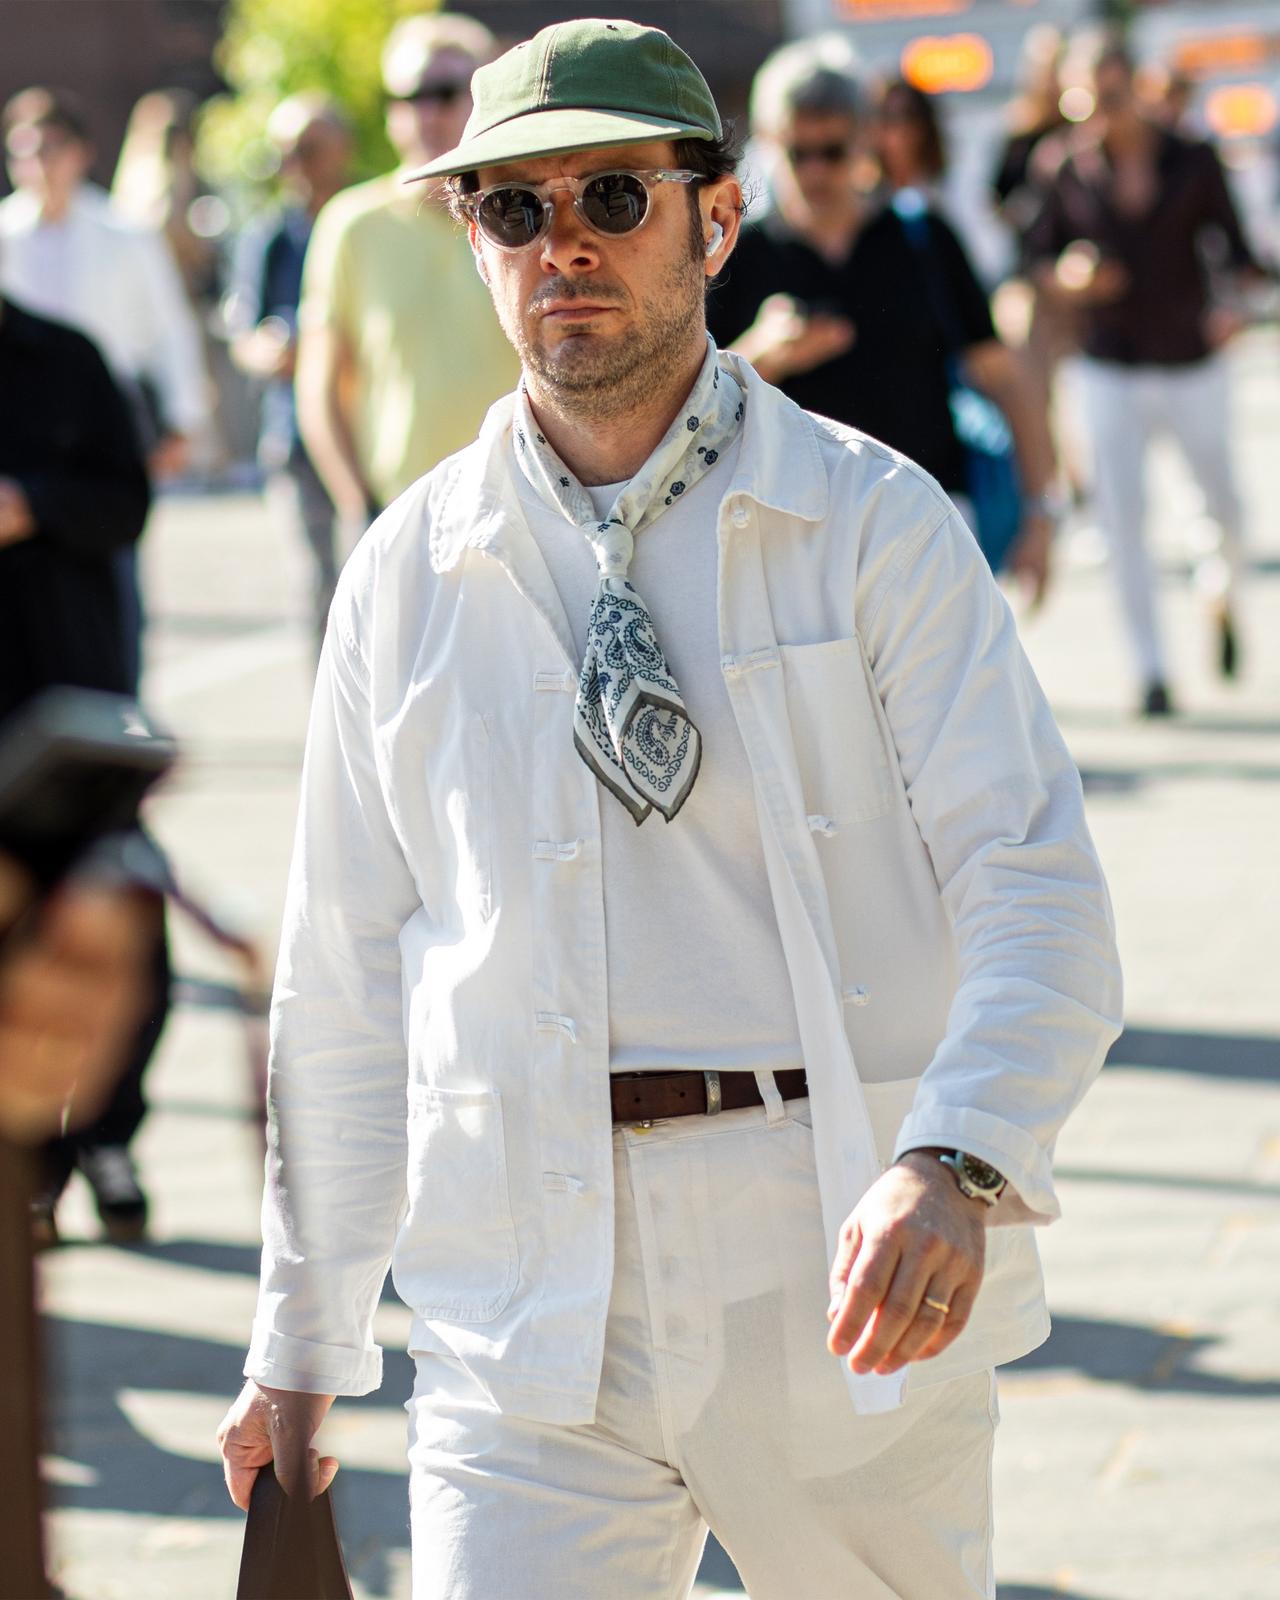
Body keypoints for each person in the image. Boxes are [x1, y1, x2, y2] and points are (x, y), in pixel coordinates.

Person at [217, 20, 1122, 1597]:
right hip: (520, 1294)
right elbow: (346, 979)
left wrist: (958, 1156)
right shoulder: (407, 575)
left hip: (831, 1257)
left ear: (716, 218)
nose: (562, 243)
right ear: (471, 241)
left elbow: (1035, 881)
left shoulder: (873, 525)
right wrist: (302, 1336)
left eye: (613, 198)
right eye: (514, 207)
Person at [707, 35, 1058, 601]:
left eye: (834, 151)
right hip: (794, 542)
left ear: (867, 140)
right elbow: (693, 407)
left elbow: (1005, 377)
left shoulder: (923, 239)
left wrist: (1042, 514)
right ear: (771, 144)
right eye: (800, 152)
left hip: (931, 521)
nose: (816, 171)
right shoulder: (735, 258)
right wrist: (763, 355)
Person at [0, 280, 170, 1246]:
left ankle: (108, 1134)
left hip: (73, 708)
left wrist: (32, 505)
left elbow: (128, 501)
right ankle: (33, 1166)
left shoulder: (66, 357)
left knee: (122, 933)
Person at [1026, 37, 1263, 715]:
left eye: (1113, 95)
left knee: (1226, 508)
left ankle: (1220, 588)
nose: (1101, 111)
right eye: (1086, 99)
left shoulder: (1191, 158)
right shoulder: (1061, 167)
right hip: (1109, 366)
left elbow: (1237, 251)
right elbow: (1036, 261)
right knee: (1123, 520)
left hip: (1192, 359)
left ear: (1136, 90)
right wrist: (1070, 277)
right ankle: (1151, 670)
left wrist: (1235, 307)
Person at [0, 86, 211, 690]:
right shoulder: (6, 234)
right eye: (23, 151)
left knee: (110, 570)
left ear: (79, 153)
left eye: (49, 148)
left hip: (101, 423)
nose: (37, 164)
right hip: (19, 431)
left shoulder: (124, 235)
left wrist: (181, 420)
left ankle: (117, 710)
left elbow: (169, 329)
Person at [295, 12, 519, 537]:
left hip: (529, 509)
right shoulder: (351, 225)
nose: (424, 112)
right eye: (407, 96)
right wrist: (358, 509)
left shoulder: (525, 215)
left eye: (443, 92)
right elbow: (319, 387)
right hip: (403, 517)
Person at [226, 94, 355, 648]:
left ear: (341, 150)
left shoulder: (365, 221)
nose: (294, 167)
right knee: (320, 589)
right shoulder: (270, 238)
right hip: (296, 434)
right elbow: (243, 335)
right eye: (282, 155)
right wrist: (275, 352)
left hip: (368, 430)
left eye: (307, 150)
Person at [870, 76, 948, 201]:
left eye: (894, 118)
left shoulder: (945, 199)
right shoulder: (870, 202)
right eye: (882, 116)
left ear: (920, 128)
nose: (883, 128)